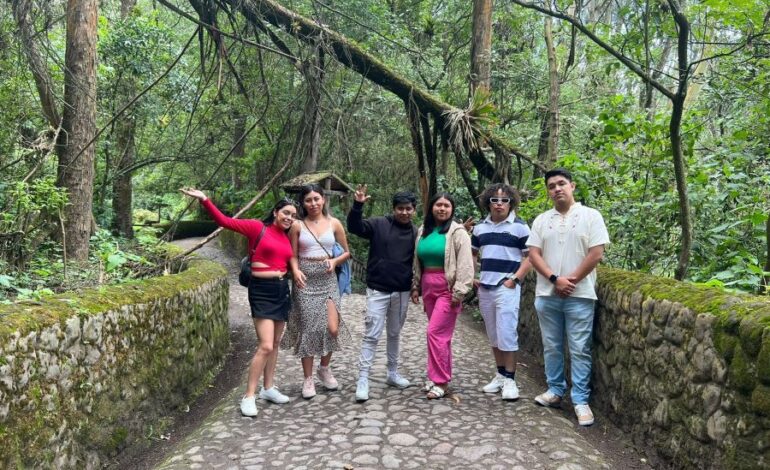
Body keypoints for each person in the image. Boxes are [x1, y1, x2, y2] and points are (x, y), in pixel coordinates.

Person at [180, 188, 297, 418]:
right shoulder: (257, 227)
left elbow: (293, 256)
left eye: (293, 215)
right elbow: (225, 222)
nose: (289, 218)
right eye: (286, 213)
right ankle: (249, 396)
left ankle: (268, 388)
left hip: (282, 291)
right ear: (276, 212)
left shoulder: (287, 236)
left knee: (275, 343)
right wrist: (205, 200)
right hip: (261, 291)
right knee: (265, 345)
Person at [526, 168, 610, 426]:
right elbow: (534, 254)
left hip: (580, 294)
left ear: (572, 186)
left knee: (580, 348)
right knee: (551, 345)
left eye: (561, 183)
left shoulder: (591, 216)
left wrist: (569, 281)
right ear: (548, 192)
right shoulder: (542, 220)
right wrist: (555, 279)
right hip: (547, 293)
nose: (557, 189)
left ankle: (580, 400)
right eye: (551, 186)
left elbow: (596, 253)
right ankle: (555, 390)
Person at [347, 184, 417, 401]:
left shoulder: (416, 232)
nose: (404, 212)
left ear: (414, 210)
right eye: (400, 208)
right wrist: (358, 205)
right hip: (378, 289)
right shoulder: (379, 224)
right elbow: (355, 227)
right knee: (372, 334)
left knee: (394, 333)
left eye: (408, 208)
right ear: (394, 209)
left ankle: (392, 373)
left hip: (402, 291)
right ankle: (363, 378)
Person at [281, 184, 352, 399]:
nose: (313, 203)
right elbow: (292, 255)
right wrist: (295, 271)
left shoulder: (334, 223)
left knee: (333, 328)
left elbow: (346, 253)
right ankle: (308, 378)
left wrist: (335, 261)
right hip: (305, 281)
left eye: (316, 199)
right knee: (309, 329)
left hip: (328, 280)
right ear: (303, 204)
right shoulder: (297, 225)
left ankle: (324, 368)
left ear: (323, 200)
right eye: (308, 200)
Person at [410, 192, 474, 399]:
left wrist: (460, 291)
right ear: (431, 207)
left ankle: (441, 382)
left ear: (452, 209)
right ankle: (436, 376)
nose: (442, 209)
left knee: (434, 332)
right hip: (428, 286)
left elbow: (466, 264)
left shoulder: (458, 232)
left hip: (448, 288)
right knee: (440, 337)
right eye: (439, 205)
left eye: (447, 205)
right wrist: (415, 286)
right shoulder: (424, 230)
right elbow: (417, 261)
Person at [471, 183, 531, 401]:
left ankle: (510, 380)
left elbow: (530, 257)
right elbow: (473, 253)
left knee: (507, 332)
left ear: (511, 202)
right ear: (488, 203)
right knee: (494, 334)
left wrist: (515, 279)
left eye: (504, 200)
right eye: (494, 200)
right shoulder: (480, 228)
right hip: (485, 287)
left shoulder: (520, 227)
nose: (499, 204)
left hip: (506, 287)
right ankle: (500, 374)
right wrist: (473, 276)